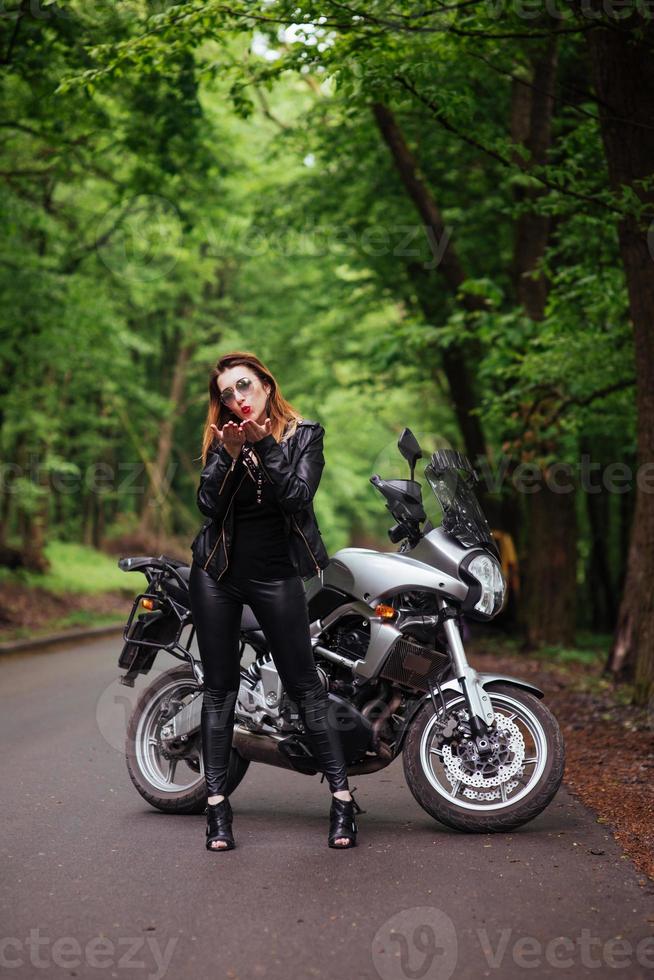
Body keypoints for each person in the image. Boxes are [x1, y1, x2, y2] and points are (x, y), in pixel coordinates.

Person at [188, 351, 363, 852]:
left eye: (243, 386)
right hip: (216, 575)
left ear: (266, 383)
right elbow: (207, 507)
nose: (236, 398)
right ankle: (217, 810)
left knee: (306, 685)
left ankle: (343, 800)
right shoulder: (224, 439)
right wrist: (227, 455)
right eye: (226, 394)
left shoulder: (306, 435)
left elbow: (297, 497)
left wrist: (265, 446)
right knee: (219, 690)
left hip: (276, 577)